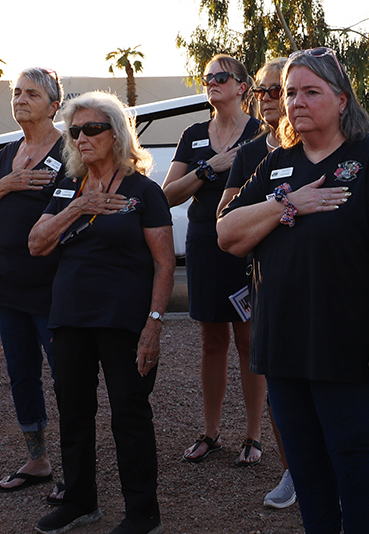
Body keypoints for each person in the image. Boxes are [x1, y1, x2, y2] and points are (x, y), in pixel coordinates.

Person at [218, 48, 369, 534]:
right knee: (303, 451)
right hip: (283, 335)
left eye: (311, 92)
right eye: (292, 92)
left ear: (341, 100)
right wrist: (289, 202)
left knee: (351, 450)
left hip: (348, 338)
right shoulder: (277, 163)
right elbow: (228, 234)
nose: (297, 103)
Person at [28, 91, 175, 534]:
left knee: (129, 413)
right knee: (73, 410)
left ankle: (142, 511)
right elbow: (36, 243)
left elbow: (165, 263)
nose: (82, 137)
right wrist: (78, 207)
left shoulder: (143, 191)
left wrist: (153, 323)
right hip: (70, 317)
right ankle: (79, 500)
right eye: (75, 131)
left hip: (124, 320)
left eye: (93, 128)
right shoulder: (68, 187)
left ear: (116, 134)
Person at [0, 68, 66, 496]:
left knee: (67, 377)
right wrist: (9, 183)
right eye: (17, 93)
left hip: (55, 286)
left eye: (32, 94)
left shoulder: (71, 150)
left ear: (54, 105)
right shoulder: (8, 154)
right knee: (21, 374)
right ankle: (37, 458)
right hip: (7, 283)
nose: (21, 100)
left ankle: (78, 466)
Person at [163, 54, 266, 466]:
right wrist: (209, 168)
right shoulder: (193, 134)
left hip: (247, 242)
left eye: (222, 77)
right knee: (211, 341)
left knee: (248, 339)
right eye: (207, 78)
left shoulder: (261, 133)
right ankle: (210, 433)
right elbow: (167, 194)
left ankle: (253, 436)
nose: (213, 83)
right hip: (205, 240)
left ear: (242, 86)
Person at [217, 56, 296, 508]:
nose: (266, 99)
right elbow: (225, 219)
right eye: (262, 91)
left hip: (318, 284)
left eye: (275, 91)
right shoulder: (251, 153)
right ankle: (292, 471)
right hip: (264, 280)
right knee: (278, 384)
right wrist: (283, 208)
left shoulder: (335, 151)